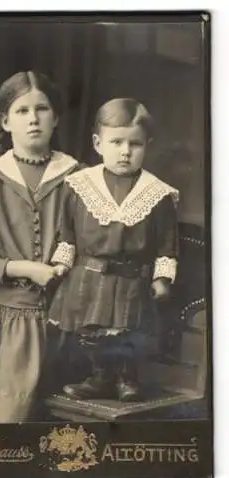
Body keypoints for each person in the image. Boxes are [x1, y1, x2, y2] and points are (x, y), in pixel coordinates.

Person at [0, 71, 78, 423]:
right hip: (5, 332)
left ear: (55, 118)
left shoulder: (78, 178)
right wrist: (27, 269)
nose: (33, 118)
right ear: (5, 121)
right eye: (22, 111)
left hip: (66, 329)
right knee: (4, 436)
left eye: (42, 108)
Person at [48, 98, 179, 401]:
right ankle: (100, 377)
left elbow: (166, 245)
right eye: (116, 142)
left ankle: (127, 378)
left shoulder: (157, 194)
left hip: (131, 279)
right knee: (90, 333)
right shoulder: (79, 185)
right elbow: (66, 234)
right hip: (88, 278)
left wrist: (162, 278)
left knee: (128, 333)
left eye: (135, 144)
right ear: (98, 143)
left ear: (147, 145)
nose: (125, 151)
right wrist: (61, 266)